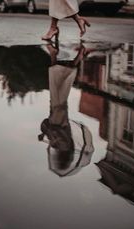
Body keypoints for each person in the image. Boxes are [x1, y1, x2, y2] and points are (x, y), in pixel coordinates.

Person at [38, 42, 94, 177]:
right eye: (59, 162)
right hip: (58, 114)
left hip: (57, 112)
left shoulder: (60, 147)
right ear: (63, 160)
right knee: (57, 82)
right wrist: (45, 133)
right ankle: (55, 54)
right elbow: (56, 130)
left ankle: (75, 55)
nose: (55, 159)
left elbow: (50, 128)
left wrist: (46, 134)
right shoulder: (65, 147)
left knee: (59, 83)